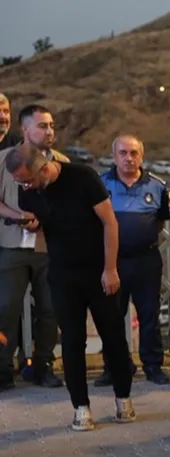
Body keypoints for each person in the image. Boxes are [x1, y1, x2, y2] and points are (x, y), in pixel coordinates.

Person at [5, 144, 135, 430]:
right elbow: (42, 221)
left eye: (27, 181)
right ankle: (80, 407)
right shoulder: (28, 190)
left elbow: (109, 223)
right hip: (62, 272)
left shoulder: (83, 177)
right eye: (20, 183)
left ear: (43, 168)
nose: (25, 187)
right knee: (72, 340)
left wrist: (110, 269)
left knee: (113, 335)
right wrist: (32, 224)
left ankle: (123, 397)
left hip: (98, 269)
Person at [96, 135, 170, 387]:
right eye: (123, 153)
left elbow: (160, 222)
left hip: (146, 260)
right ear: (114, 156)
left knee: (149, 314)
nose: (129, 158)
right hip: (113, 261)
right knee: (111, 316)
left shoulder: (158, 186)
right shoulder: (100, 185)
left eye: (134, 153)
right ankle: (115, 367)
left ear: (142, 156)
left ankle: (153, 366)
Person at [0, 104, 62, 390]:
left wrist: (45, 220)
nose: (49, 131)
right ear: (24, 129)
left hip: (48, 248)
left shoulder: (60, 162)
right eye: (42, 126)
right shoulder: (3, 160)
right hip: (11, 246)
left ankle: (43, 365)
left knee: (50, 309)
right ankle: (3, 368)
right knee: (6, 309)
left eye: (51, 126)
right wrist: (18, 216)